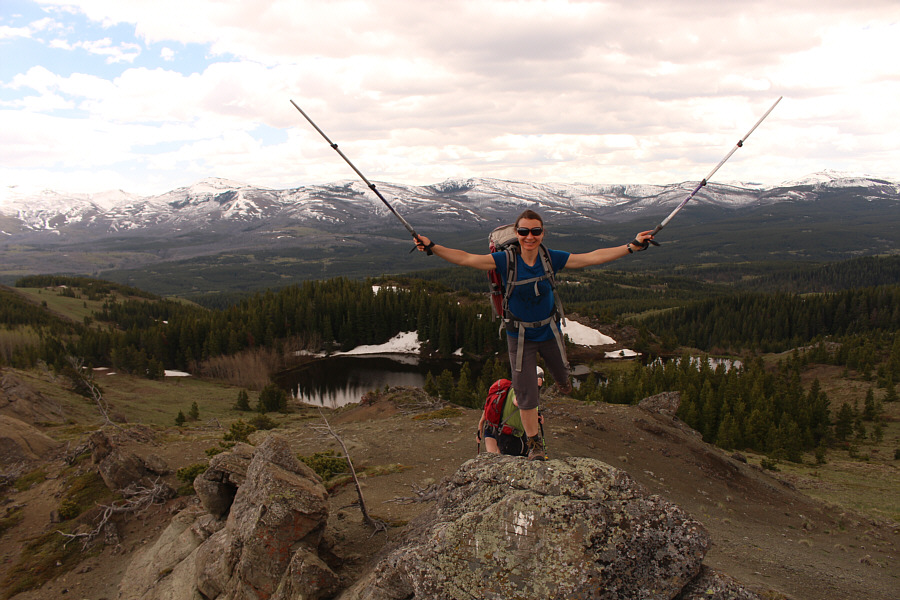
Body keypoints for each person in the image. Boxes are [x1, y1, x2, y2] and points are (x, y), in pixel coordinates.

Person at [415, 209, 654, 460]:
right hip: (519, 335)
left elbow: (592, 257)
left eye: (535, 231)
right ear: (517, 233)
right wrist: (432, 246)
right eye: (524, 231)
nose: (530, 236)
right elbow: (465, 258)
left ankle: (562, 380)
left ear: (543, 233)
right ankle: (534, 444)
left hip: (548, 329)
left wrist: (632, 246)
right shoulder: (505, 260)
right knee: (526, 393)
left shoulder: (550, 258)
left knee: (562, 372)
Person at [477, 366, 545, 457]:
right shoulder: (518, 391)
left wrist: (480, 428)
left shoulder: (509, 389)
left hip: (495, 430)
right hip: (509, 436)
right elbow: (518, 402)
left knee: (495, 459)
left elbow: (486, 412)